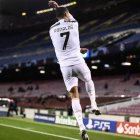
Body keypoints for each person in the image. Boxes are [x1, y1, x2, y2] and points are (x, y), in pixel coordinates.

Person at [49, 1, 101, 140]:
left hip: (65, 67)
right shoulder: (73, 23)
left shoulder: (51, 29)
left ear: (56, 17)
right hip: (78, 62)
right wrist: (58, 6)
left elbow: (62, 47)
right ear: (66, 14)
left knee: (74, 96)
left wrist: (57, 9)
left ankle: (81, 127)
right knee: (88, 80)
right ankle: (94, 104)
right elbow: (68, 19)